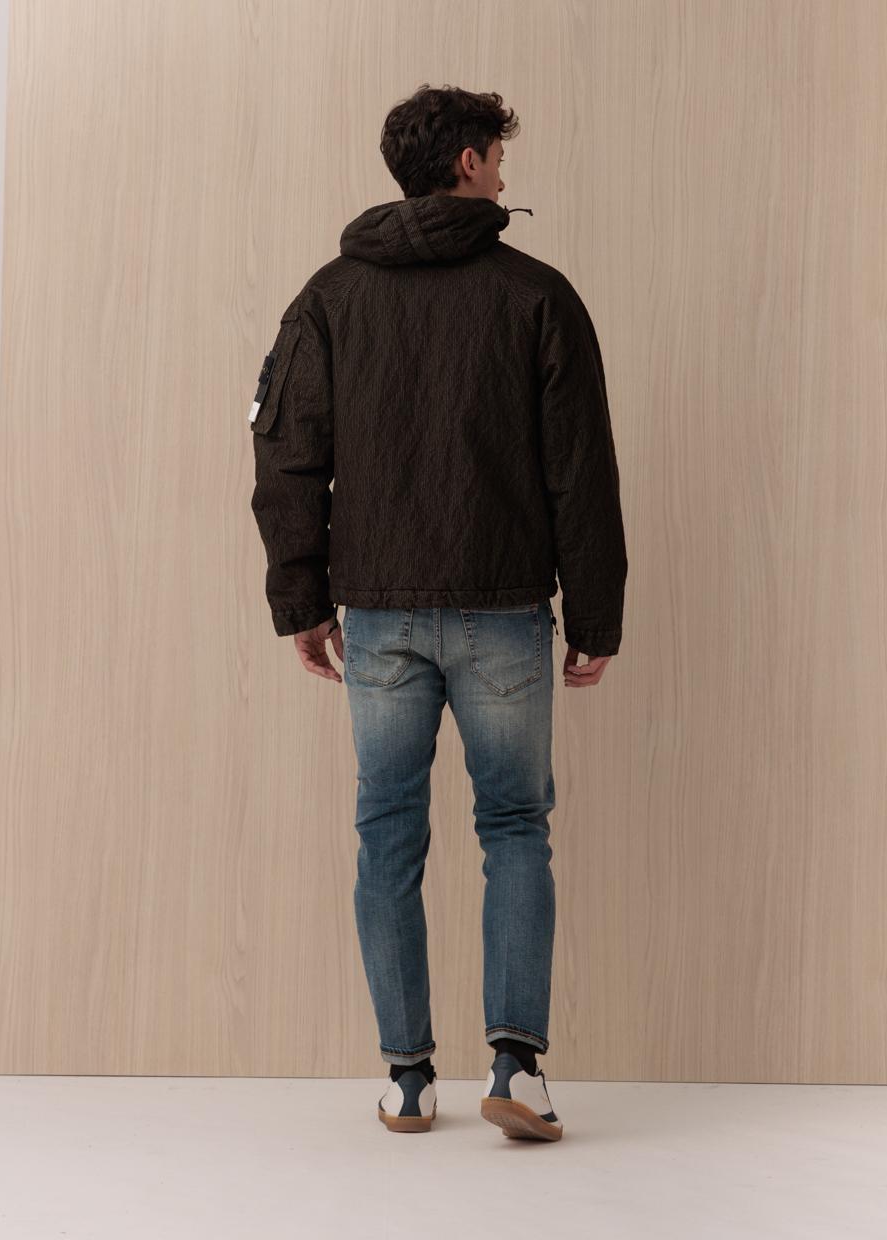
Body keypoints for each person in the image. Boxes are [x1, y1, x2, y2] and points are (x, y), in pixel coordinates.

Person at [248, 84, 628, 1140]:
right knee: (514, 830)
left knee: (386, 835)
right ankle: (517, 1070)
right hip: (505, 611)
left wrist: (301, 598)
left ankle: (408, 1080)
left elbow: (286, 455)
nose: (503, 174)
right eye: (497, 157)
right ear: (467, 162)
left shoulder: (329, 295)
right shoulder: (537, 294)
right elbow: (580, 472)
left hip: (379, 615)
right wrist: (595, 614)